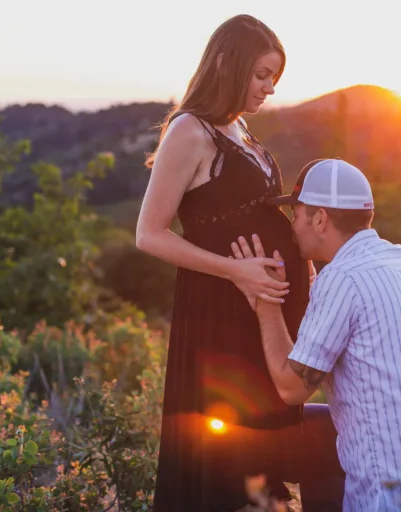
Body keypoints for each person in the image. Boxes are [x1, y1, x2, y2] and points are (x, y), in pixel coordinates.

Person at [136, 14, 342, 511]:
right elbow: (149, 234)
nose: (270, 88)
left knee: (264, 447)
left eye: (275, 77)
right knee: (231, 447)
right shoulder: (190, 130)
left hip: (262, 311)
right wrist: (237, 271)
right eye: (262, 75)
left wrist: (304, 268)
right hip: (222, 312)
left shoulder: (239, 127)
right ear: (228, 65)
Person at [230, 158, 401, 511]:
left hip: (389, 490)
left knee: (269, 427)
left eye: (295, 214)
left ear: (320, 218)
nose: (292, 226)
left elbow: (291, 388)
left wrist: (265, 303)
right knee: (316, 424)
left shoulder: (343, 278)